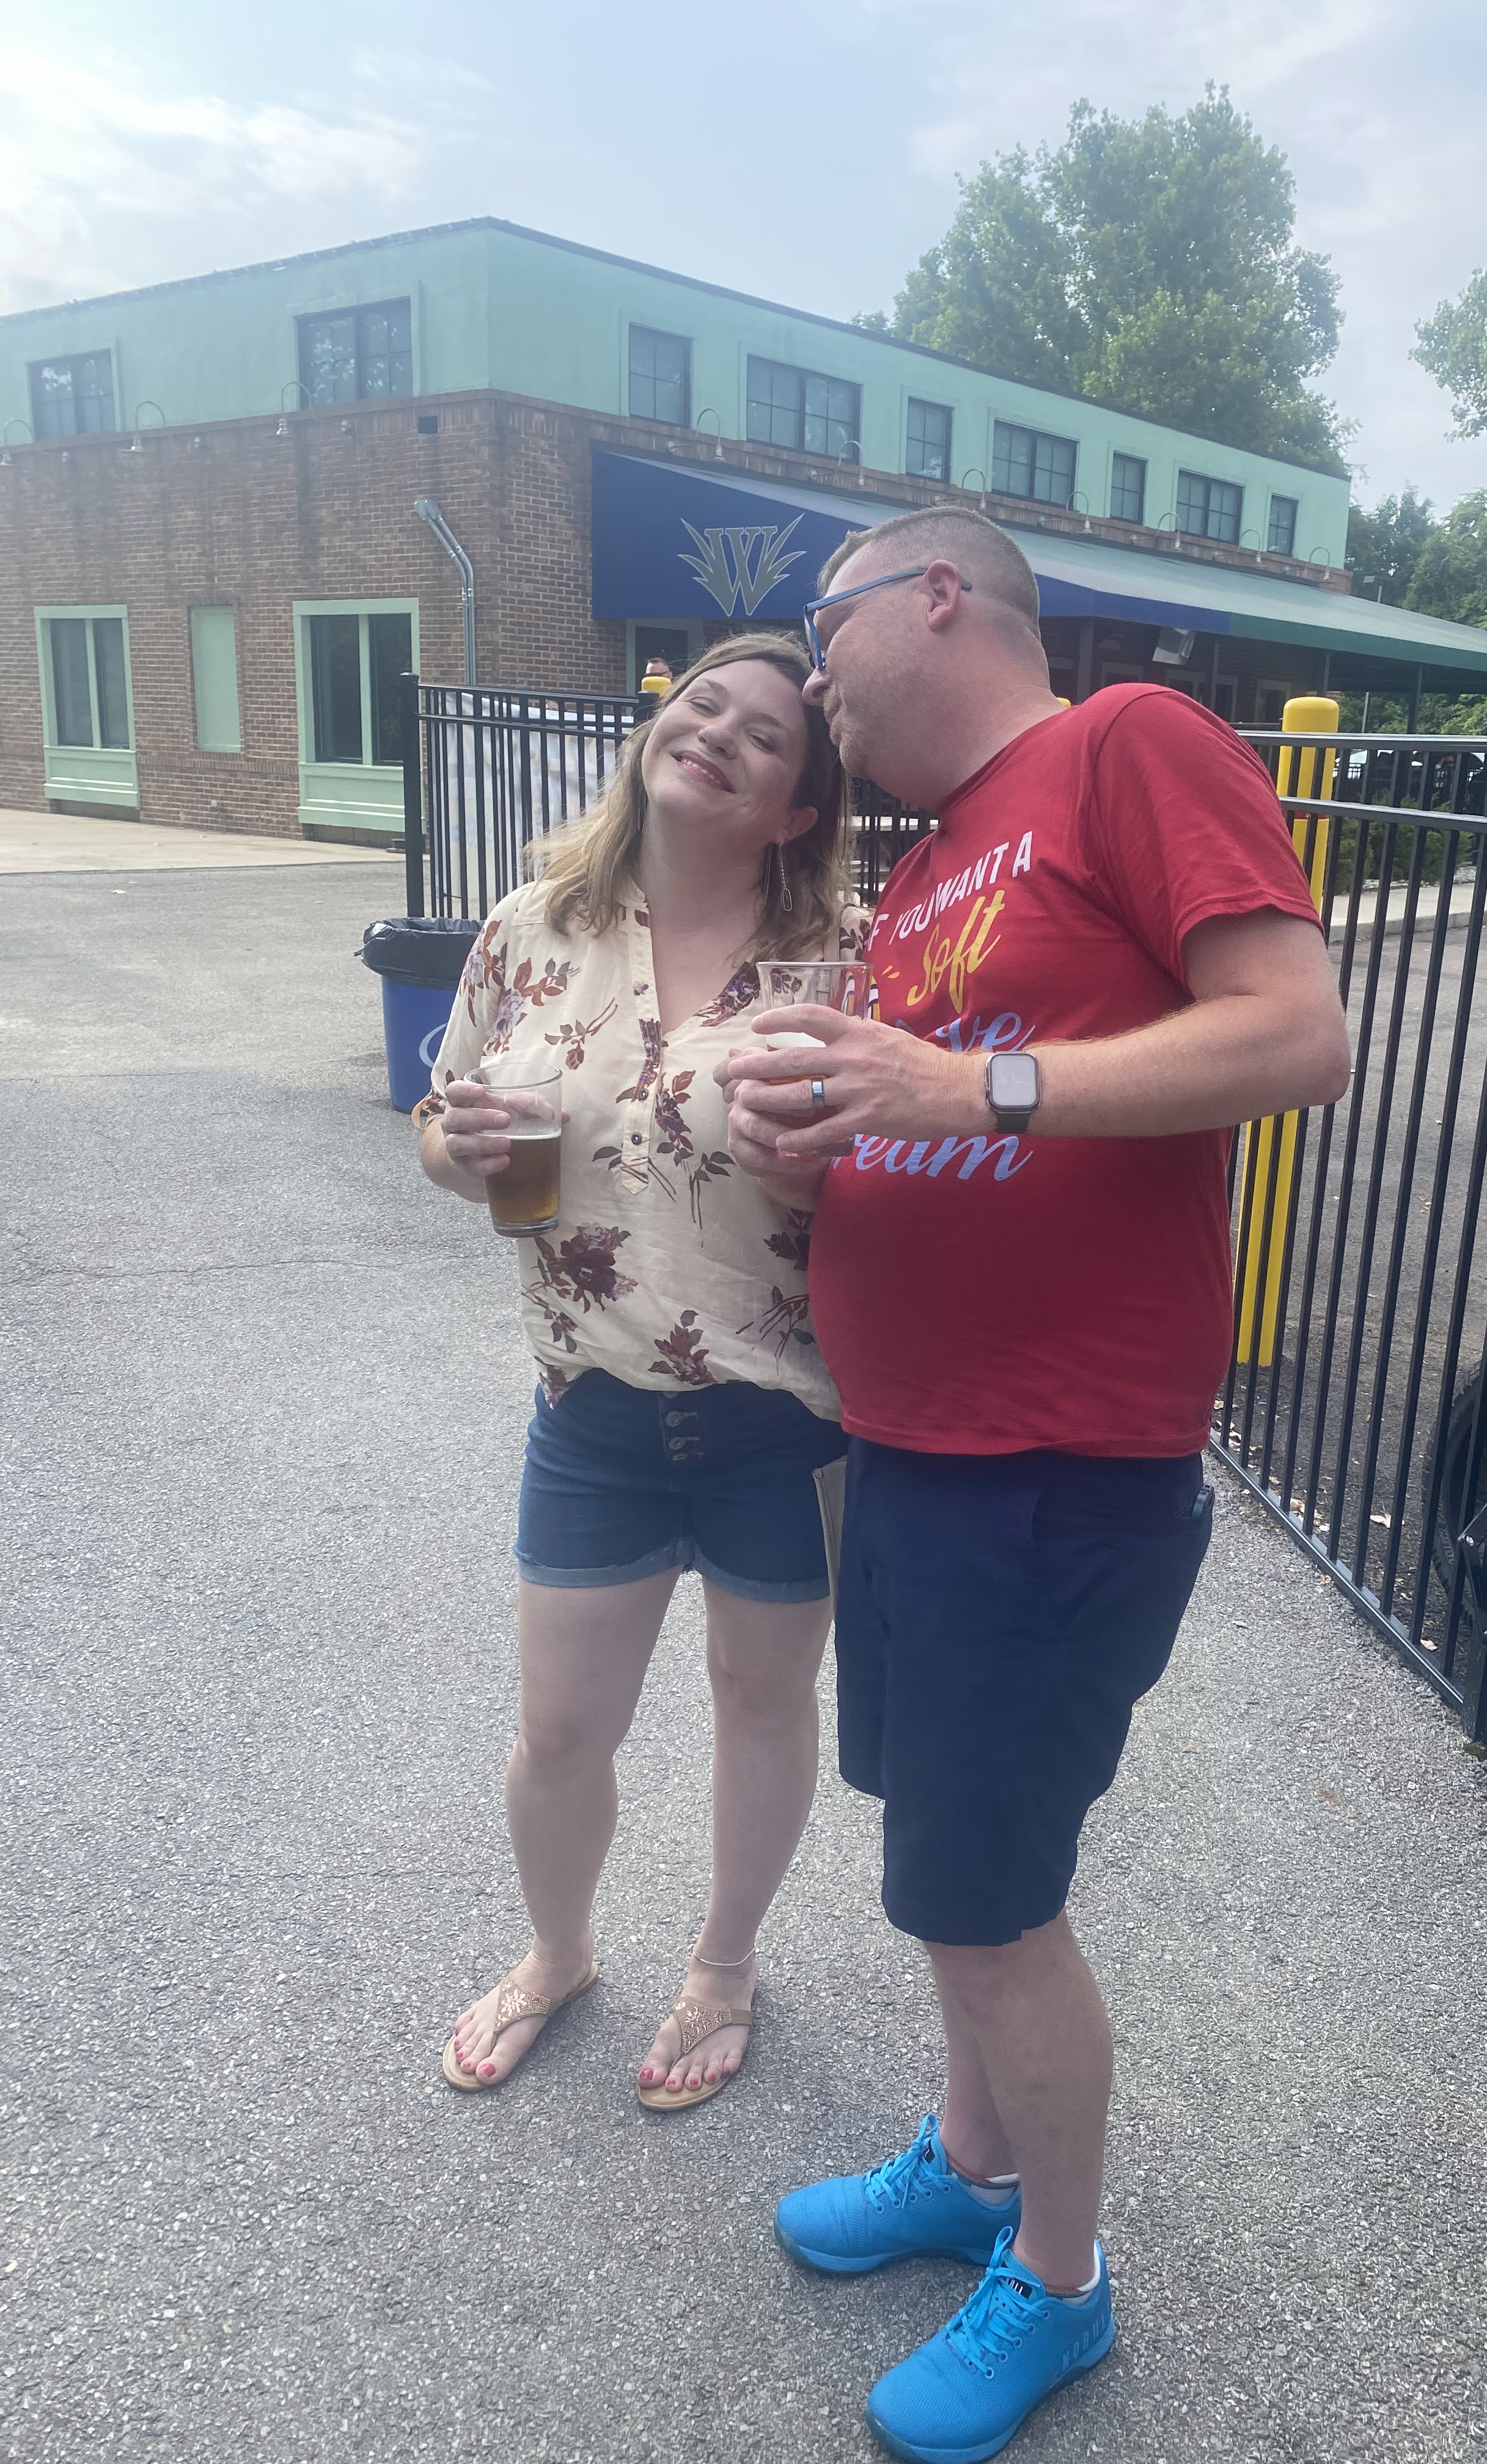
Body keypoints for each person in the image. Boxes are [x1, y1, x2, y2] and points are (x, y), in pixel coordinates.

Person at [719, 509, 1350, 2459]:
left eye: (820, 628)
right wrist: (824, 1140)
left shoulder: (1127, 742)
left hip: (1053, 1465)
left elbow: (1298, 1036)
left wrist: (960, 1087)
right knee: (943, 1866)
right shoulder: (929, 868)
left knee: (996, 1903)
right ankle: (972, 2161)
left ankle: (1062, 2282)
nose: (810, 676)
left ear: (935, 598)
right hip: (919, 1449)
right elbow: (946, 1120)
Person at [419, 631, 863, 2111]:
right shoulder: (531, 929)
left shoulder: (843, 961)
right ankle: (558, 1956)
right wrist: (459, 1151)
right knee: (559, 1731)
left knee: (761, 1708)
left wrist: (830, 1167)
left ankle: (725, 1967)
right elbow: (439, 1121)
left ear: (798, 809)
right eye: (703, 705)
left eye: (766, 736)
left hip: (781, 1420)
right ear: (655, 731)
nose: (719, 733)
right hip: (591, 1407)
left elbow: (906, 1170)